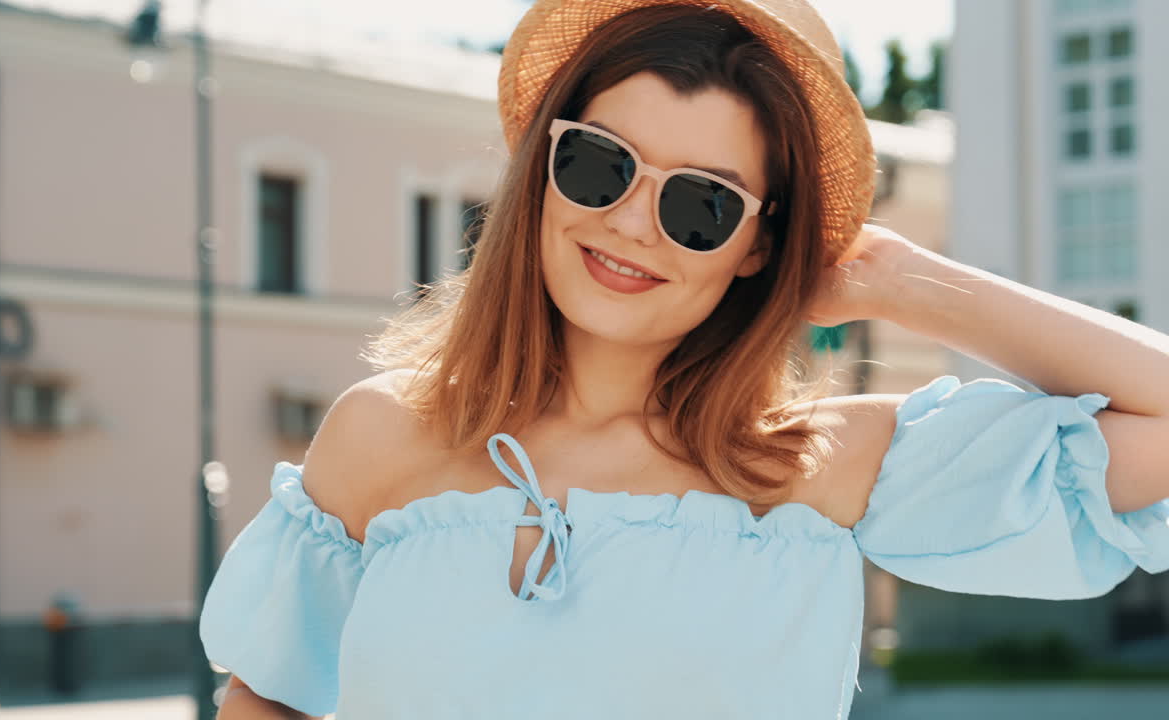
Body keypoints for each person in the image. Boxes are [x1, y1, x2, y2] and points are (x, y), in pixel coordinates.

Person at [200, 1, 1169, 718]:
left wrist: (895, 277)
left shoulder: (826, 470)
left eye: (699, 203)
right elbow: (265, 697)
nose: (628, 223)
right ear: (542, 167)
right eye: (599, 163)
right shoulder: (382, 439)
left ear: (757, 244)